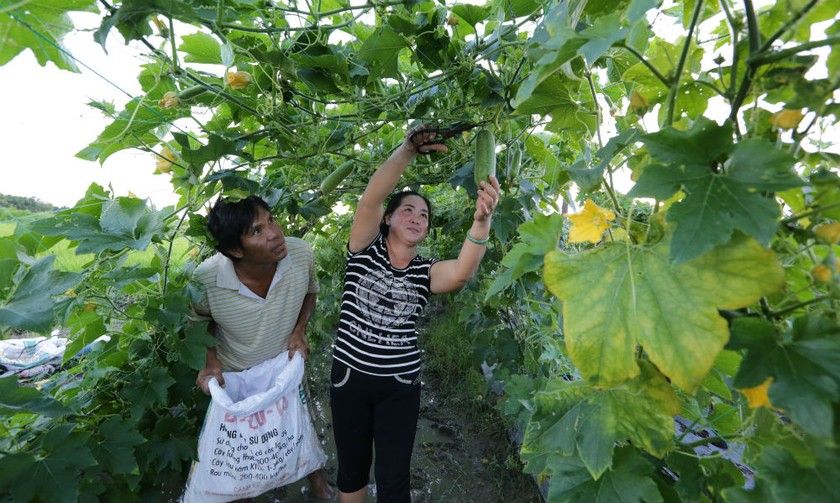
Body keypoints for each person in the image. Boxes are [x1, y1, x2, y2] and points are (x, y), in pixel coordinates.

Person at [329, 125, 501, 503]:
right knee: (352, 472)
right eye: (407, 210)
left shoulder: (426, 271)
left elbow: (461, 273)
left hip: (400, 386)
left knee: (394, 482)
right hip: (349, 380)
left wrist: (482, 220)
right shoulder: (363, 249)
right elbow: (371, 200)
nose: (416, 217)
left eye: (423, 215)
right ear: (388, 219)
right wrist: (407, 150)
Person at [191, 195, 335, 501]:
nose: (274, 233)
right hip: (237, 374)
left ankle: (318, 482)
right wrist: (210, 360)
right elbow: (199, 320)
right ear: (233, 249)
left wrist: (299, 331)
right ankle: (246, 493)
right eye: (257, 231)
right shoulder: (206, 279)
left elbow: (310, 292)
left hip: (285, 364)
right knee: (244, 448)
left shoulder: (300, 254)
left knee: (300, 423)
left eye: (271, 219)